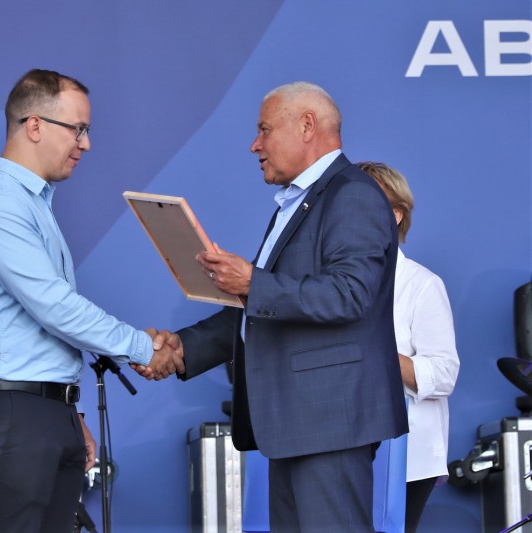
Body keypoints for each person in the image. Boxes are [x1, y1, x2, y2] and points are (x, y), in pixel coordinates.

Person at [140, 82, 409, 532]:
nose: (255, 144)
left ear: (307, 125)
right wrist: (184, 349)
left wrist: (252, 281)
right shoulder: (300, 201)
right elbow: (262, 306)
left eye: (264, 129)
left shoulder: (352, 194)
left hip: (330, 422)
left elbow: (349, 294)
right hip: (296, 424)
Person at [0, 68, 183, 533]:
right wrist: (143, 347)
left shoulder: (32, 203)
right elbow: (53, 306)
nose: (86, 144)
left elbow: (35, 328)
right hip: (13, 418)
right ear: (35, 125)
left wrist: (67, 411)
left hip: (41, 413)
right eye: (78, 129)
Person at [358, 161, 460, 533]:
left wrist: (375, 351)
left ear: (396, 215)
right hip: (339, 442)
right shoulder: (326, 282)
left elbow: (444, 373)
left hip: (407, 454)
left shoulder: (422, 285)